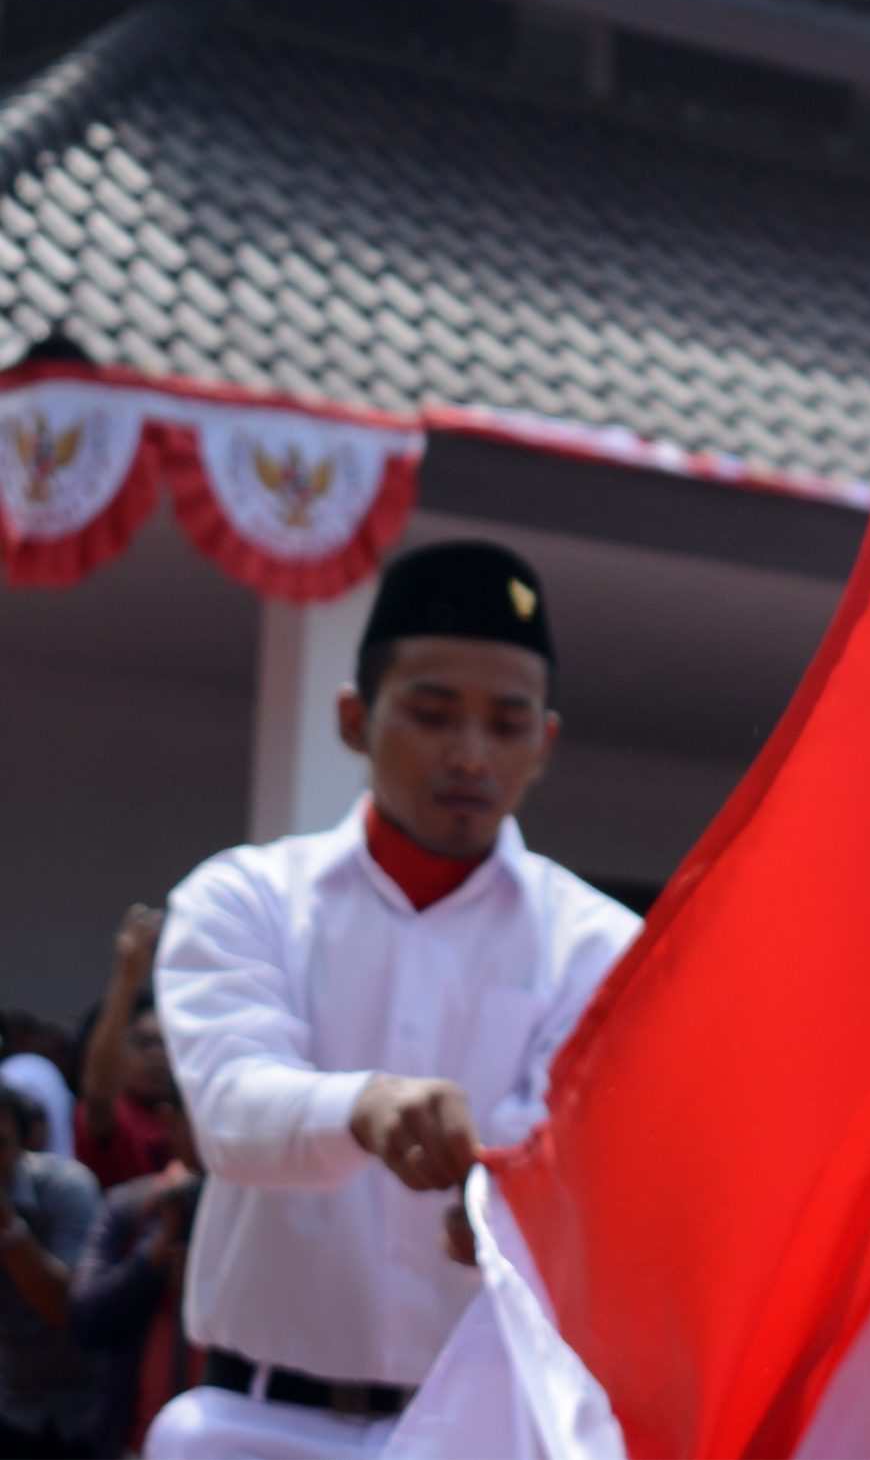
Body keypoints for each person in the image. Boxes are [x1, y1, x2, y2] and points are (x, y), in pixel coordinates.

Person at [145, 542, 639, 1460]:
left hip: (486, 1430)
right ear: (352, 719)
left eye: (506, 722)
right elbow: (231, 1108)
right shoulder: (243, 899)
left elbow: (570, 1151)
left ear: (547, 742)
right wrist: (364, 1107)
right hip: (257, 1424)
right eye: (432, 712)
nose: (469, 753)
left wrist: (518, 1215)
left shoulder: (601, 946)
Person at [73, 1092, 206, 1457]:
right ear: (170, 1120)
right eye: (203, 1117)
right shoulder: (131, 1207)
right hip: (134, 1444)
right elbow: (86, 1318)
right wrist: (153, 1255)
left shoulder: (259, 1215)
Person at [1, 1083, 104, 1457]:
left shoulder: (68, 1188)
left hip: (85, 1413)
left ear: (23, 1142)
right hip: (11, 1409)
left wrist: (7, 1226)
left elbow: (68, 1311)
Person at [76, 909, 177, 1192]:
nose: (157, 1055)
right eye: (143, 1043)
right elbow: (97, 1090)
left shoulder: (183, 1119)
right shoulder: (114, 1115)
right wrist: (128, 975)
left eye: (165, 1045)